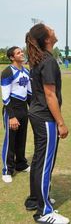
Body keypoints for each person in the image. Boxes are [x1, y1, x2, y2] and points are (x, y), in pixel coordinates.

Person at [24, 24, 69, 224]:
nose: (54, 29)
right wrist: (60, 123)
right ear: (47, 39)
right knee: (44, 162)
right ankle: (43, 211)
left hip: (37, 114)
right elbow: (50, 95)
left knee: (39, 160)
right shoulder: (48, 61)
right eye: (51, 29)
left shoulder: (38, 59)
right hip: (45, 117)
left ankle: (35, 199)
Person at [1, 46, 31, 183]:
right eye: (18, 53)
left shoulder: (26, 71)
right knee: (10, 140)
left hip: (23, 110)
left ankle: (21, 164)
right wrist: (11, 116)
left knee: (21, 139)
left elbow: (29, 94)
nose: (22, 53)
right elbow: (5, 96)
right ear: (12, 57)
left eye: (21, 51)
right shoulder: (7, 72)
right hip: (11, 110)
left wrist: (33, 110)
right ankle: (7, 169)